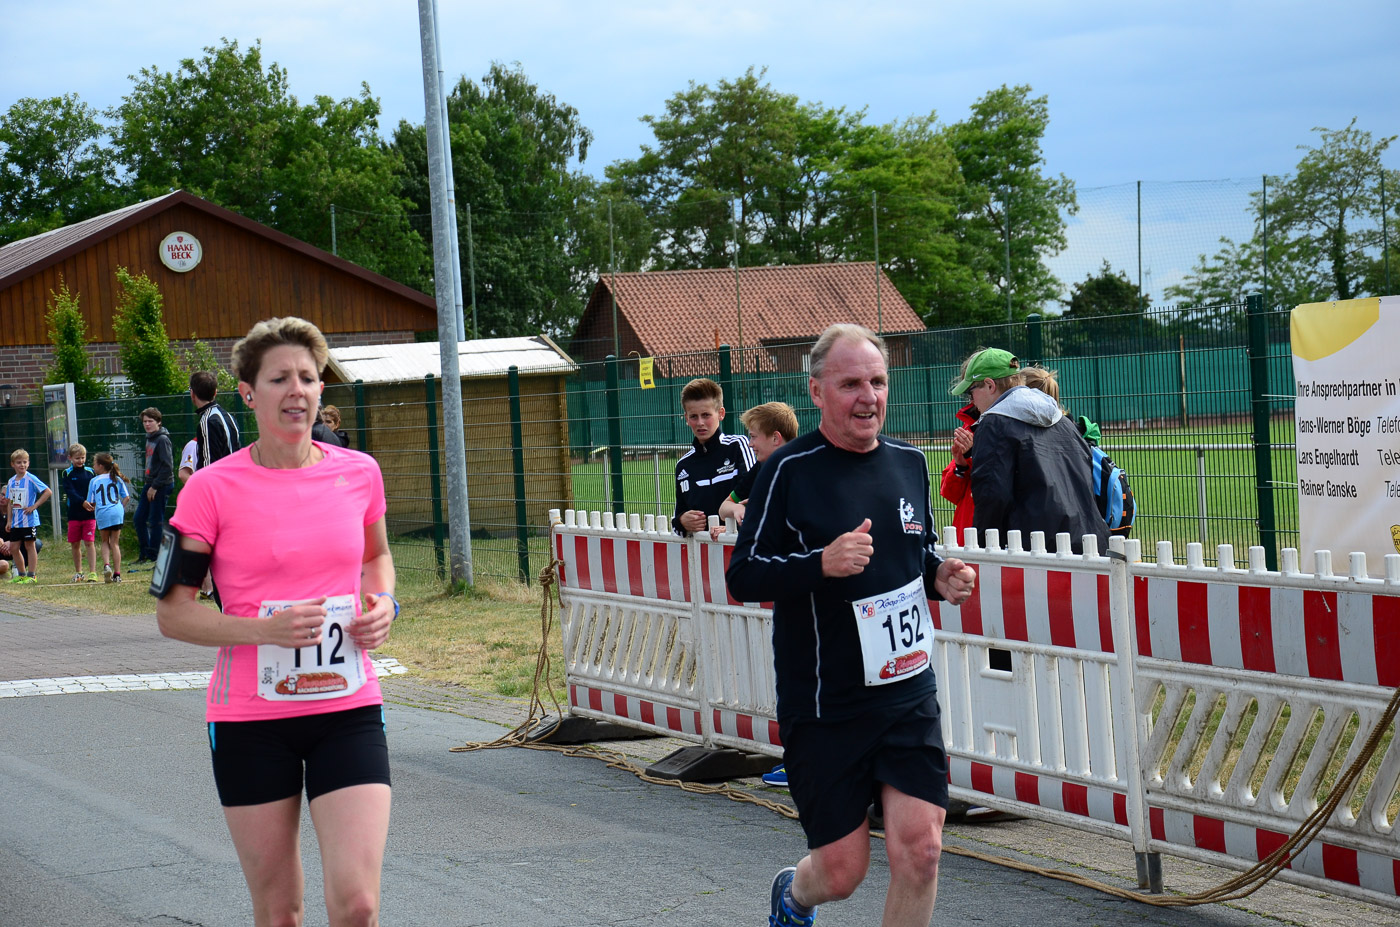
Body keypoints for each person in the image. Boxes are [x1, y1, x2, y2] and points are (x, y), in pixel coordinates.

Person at [726, 324, 976, 927]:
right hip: (826, 704)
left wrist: (939, 574)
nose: (869, 397)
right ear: (817, 391)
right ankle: (794, 895)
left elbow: (916, 551)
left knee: (922, 851)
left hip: (906, 692)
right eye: (851, 385)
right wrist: (820, 563)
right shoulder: (788, 471)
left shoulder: (909, 463)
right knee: (842, 873)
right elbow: (744, 575)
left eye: (878, 382)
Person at [155, 315, 398, 927]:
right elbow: (173, 614)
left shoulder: (359, 472)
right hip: (251, 720)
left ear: (321, 390)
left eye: (308, 378)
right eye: (279, 378)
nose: (297, 390)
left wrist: (384, 605)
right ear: (248, 391)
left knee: (359, 904)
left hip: (347, 708)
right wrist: (264, 630)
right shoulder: (210, 489)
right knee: (280, 911)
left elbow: (376, 558)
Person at [950, 348, 1107, 554]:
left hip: (1036, 550)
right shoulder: (1062, 420)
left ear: (989, 385)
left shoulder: (993, 424)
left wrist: (981, 549)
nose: (972, 401)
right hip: (1088, 541)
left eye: (971, 391)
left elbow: (992, 497)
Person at [939, 364, 1059, 542]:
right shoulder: (973, 428)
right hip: (972, 531)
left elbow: (1007, 489)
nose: (971, 399)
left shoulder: (1005, 430)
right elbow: (951, 493)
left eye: (972, 390)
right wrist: (961, 465)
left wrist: (977, 454)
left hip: (1007, 537)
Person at [672, 377, 756, 536]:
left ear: (721, 413)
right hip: (701, 549)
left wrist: (732, 529)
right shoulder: (683, 465)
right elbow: (676, 525)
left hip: (740, 544)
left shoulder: (738, 446)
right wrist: (682, 521)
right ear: (686, 418)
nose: (700, 423)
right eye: (694, 416)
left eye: (706, 415)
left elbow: (756, 496)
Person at [711, 401, 799, 537]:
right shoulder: (761, 467)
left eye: (753, 437)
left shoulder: (805, 468)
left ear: (775, 438)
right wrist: (737, 509)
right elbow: (723, 509)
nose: (750, 444)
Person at [133, 407, 174, 566]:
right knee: (139, 518)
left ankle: (155, 555)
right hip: (150, 483)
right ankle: (145, 553)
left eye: (150, 421)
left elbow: (167, 467)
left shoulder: (162, 439)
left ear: (158, 422)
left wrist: (155, 486)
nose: (147, 424)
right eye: (145, 421)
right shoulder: (150, 438)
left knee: (155, 520)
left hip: (161, 484)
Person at [5, 448, 52, 584]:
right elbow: (10, 502)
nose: (22, 465)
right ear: (13, 464)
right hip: (16, 521)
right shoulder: (11, 481)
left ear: (28, 463)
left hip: (29, 520)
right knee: (14, 547)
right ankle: (21, 574)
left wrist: (34, 506)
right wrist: (9, 520)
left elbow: (47, 492)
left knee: (29, 545)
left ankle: (32, 575)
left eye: (25, 462)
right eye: (19, 462)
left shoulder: (31, 478)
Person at [85, 452, 130, 583]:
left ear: (100, 466)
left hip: (103, 513)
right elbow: (127, 497)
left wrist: (88, 506)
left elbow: (91, 501)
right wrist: (120, 508)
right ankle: (117, 574)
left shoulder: (94, 481)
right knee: (115, 543)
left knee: (105, 541)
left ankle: (106, 566)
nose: (93, 466)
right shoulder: (116, 478)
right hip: (117, 512)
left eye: (94, 464)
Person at [60, 443, 99, 582]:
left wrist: (93, 502)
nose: (80, 461)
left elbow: (95, 488)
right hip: (74, 514)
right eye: (77, 458)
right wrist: (82, 502)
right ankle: (79, 572)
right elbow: (70, 491)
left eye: (83, 458)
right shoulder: (66, 473)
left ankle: (93, 572)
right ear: (70, 458)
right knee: (75, 544)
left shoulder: (91, 472)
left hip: (89, 513)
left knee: (89, 542)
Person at [190, 370, 241, 471]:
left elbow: (208, 465)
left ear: (192, 394)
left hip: (220, 479)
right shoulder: (229, 417)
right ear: (215, 392)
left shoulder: (207, 422)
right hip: (235, 476)